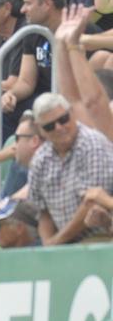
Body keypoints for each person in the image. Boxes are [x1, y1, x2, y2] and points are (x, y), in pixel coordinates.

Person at [27, 92, 113, 244]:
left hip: (98, 238)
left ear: (72, 113)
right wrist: (49, 245)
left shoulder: (93, 145)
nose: (59, 128)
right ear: (40, 130)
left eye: (63, 119)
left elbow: (92, 202)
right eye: (49, 126)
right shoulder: (40, 159)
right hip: (62, 242)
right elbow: (43, 212)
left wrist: (57, 242)